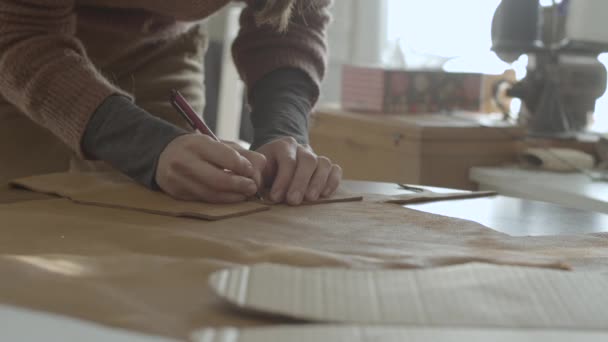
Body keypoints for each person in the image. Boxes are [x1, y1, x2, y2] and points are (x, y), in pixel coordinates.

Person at [0, 0, 342, 206]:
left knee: (177, 219)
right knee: (24, 231)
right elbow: (17, 33)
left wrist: (285, 130)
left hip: (158, 45)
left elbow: (292, 18)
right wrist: (147, 146)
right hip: (23, 48)